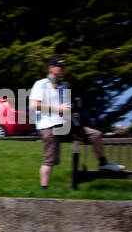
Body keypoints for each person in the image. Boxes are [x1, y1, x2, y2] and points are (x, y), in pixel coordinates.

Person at [28, 58, 121, 190]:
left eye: (64, 67)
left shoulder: (63, 85)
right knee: (50, 160)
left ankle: (103, 163)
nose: (63, 69)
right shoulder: (41, 84)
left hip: (65, 123)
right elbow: (33, 105)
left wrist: (70, 112)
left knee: (95, 135)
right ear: (50, 68)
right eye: (60, 66)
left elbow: (64, 106)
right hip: (48, 125)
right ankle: (44, 190)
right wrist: (58, 109)